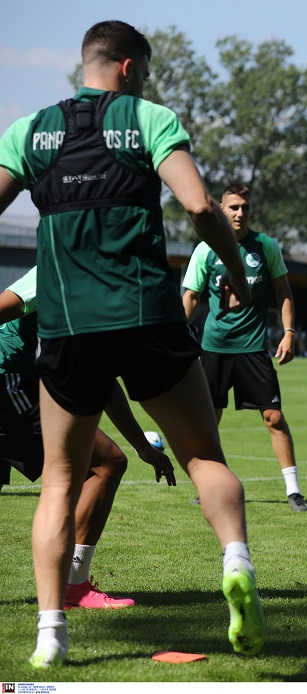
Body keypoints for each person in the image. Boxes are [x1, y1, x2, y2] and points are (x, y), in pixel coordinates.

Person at [0, 20, 265, 667]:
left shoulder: (29, 132)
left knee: (60, 481)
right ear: (127, 67)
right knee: (203, 456)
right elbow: (199, 207)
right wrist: (235, 271)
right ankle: (236, 561)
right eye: (143, 73)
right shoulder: (148, 119)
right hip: (147, 315)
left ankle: (50, 637)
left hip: (68, 326)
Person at [0, 269, 176, 609]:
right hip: (11, 381)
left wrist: (142, 447)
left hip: (21, 382)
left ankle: (72, 586)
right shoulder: (61, 267)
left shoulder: (107, 292)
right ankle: (74, 586)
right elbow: (8, 305)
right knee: (106, 464)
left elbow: (104, 381)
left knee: (108, 462)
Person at [182, 183, 307, 512]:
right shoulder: (205, 249)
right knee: (209, 421)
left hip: (253, 347)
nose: (240, 213)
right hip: (214, 347)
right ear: (221, 209)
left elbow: (283, 291)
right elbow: (191, 296)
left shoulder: (265, 246)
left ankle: (294, 491)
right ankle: (208, 487)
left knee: (274, 417)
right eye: (234, 207)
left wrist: (289, 332)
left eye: (245, 207)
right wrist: (178, 335)